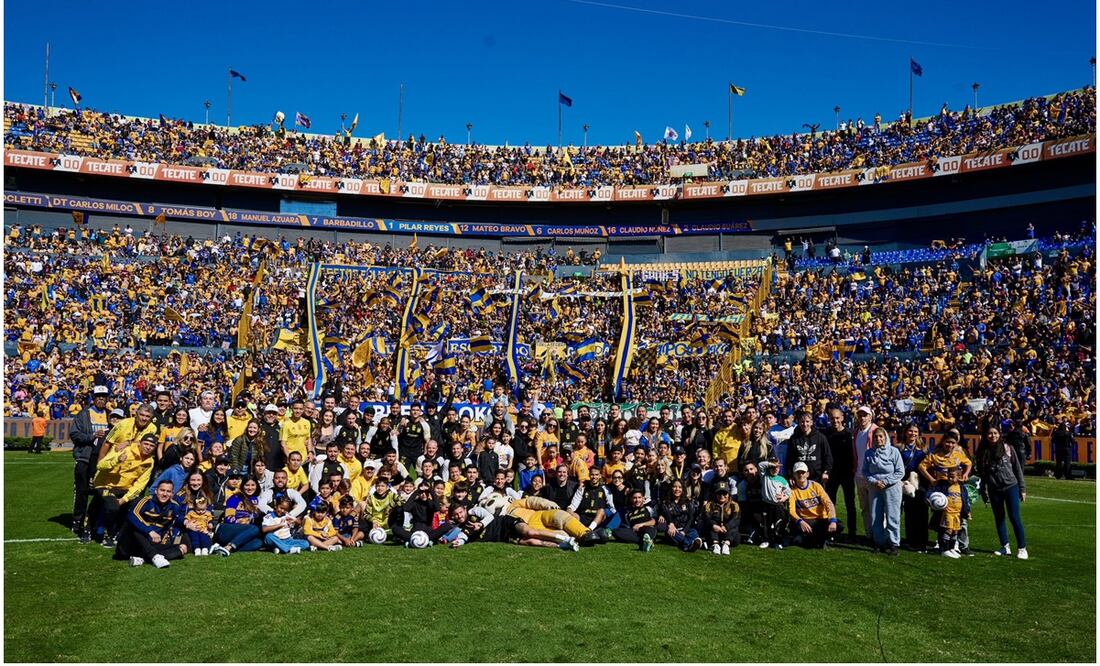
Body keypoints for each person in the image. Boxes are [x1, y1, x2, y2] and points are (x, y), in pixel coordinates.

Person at [91, 432, 159, 548]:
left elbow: (140, 485)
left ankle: (121, 533)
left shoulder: (149, 462)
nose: (148, 447)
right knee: (113, 507)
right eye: (146, 444)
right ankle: (106, 533)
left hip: (124, 488)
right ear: (140, 443)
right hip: (105, 484)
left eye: (151, 446)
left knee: (139, 506)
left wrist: (125, 499)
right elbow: (100, 465)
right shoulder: (124, 450)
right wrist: (116, 460)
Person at [976, 424, 1029, 560]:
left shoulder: (1007, 448)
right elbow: (983, 474)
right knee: (999, 518)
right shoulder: (982, 451)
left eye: (995, 433)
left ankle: (1022, 548)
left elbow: (1017, 469)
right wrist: (983, 490)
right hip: (994, 489)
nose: (992, 436)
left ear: (999, 435)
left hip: (1011, 486)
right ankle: (1005, 546)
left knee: (1014, 517)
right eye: (990, 433)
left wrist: (1022, 489)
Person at [70, 385, 111, 540]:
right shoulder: (83, 414)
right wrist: (92, 436)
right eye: (98, 397)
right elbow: (74, 434)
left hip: (102, 459)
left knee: (99, 492)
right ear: (93, 398)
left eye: (104, 397)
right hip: (85, 457)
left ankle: (93, 521)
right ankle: (77, 520)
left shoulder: (109, 415)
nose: (101, 399)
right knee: (81, 492)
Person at [116, 479, 188, 568]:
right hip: (129, 544)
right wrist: (149, 531)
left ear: (172, 494)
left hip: (150, 544)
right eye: (162, 490)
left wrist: (165, 541)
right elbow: (132, 515)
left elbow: (169, 526)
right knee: (133, 526)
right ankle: (154, 556)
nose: (165, 494)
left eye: (168, 491)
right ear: (156, 491)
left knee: (180, 549)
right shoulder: (145, 501)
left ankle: (142, 560)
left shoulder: (174, 506)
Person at [862, 427, 904, 556]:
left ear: (885, 438)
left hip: (891, 488)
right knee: (875, 516)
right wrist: (875, 481)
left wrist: (886, 481)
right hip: (875, 487)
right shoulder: (869, 453)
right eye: (876, 437)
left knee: (892, 516)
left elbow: (900, 471)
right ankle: (879, 542)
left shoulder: (894, 452)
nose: (878, 439)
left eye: (881, 436)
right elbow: (865, 471)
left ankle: (893, 543)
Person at [788, 461, 841, 548]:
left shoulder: (816, 486)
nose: (801, 475)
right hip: (806, 520)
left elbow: (828, 503)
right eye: (798, 473)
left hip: (821, 519)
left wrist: (832, 520)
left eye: (803, 472)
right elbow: (791, 510)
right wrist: (800, 521)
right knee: (801, 530)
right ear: (794, 475)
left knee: (839, 526)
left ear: (807, 474)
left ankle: (815, 537)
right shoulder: (792, 491)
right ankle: (814, 538)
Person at [824, 408, 857, 540]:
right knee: (830, 503)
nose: (835, 421)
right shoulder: (826, 434)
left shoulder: (850, 434)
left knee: (850, 504)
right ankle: (831, 531)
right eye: (832, 418)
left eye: (837, 418)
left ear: (842, 418)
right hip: (832, 474)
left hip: (847, 474)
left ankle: (852, 532)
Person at [211, 476, 265, 556]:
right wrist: (242, 521)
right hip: (226, 529)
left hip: (243, 532)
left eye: (253, 485)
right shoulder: (235, 498)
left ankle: (221, 548)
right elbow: (228, 518)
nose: (250, 488)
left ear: (256, 486)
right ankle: (228, 547)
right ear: (242, 486)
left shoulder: (256, 500)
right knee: (254, 528)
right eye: (247, 485)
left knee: (258, 543)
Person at [898, 424, 930, 552]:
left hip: (921, 483)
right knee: (909, 512)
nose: (913, 434)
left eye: (915, 431)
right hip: (905, 483)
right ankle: (911, 540)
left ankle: (922, 541)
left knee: (922, 512)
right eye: (910, 431)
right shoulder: (900, 447)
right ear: (906, 432)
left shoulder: (924, 448)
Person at [851, 405, 881, 541]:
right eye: (860, 415)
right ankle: (870, 535)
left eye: (865, 415)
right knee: (865, 508)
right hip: (859, 475)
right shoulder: (856, 432)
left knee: (877, 508)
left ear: (871, 416)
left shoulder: (876, 431)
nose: (862, 418)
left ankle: (879, 536)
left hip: (873, 476)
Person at [930, 468, 971, 559]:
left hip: (957, 514)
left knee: (955, 531)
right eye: (948, 476)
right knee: (948, 530)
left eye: (952, 477)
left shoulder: (962, 488)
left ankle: (952, 548)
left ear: (959, 477)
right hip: (947, 513)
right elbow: (934, 493)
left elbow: (965, 500)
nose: (950, 479)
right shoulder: (944, 486)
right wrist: (932, 499)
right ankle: (945, 549)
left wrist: (967, 511)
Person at [784, 411, 832, 484]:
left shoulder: (820, 437)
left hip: (817, 478)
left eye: (807, 421)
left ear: (811, 422)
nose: (805, 424)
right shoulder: (794, 439)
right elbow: (790, 459)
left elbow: (827, 456)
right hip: (799, 478)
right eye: (802, 422)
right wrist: (790, 475)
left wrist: (826, 472)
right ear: (799, 423)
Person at [657, 479, 702, 552]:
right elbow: (667, 515)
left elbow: (690, 518)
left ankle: (688, 543)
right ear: (671, 488)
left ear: (683, 489)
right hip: (673, 529)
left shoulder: (688, 502)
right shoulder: (666, 502)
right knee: (670, 533)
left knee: (693, 531)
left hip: (686, 528)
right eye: (674, 486)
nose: (677, 489)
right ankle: (689, 544)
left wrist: (684, 531)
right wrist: (671, 524)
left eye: (679, 487)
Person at [702, 486, 740, 555]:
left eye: (724, 494)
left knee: (734, 526)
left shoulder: (734, 505)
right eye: (719, 494)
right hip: (714, 533)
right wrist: (713, 525)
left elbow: (736, 519)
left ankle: (726, 545)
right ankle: (715, 545)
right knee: (710, 525)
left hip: (728, 533)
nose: (722, 496)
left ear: (728, 494)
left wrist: (726, 526)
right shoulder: (709, 505)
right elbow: (706, 517)